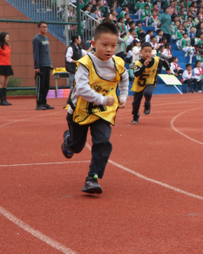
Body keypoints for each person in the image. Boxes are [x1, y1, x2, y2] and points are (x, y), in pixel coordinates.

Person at [61, 22, 129, 194]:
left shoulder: (117, 63)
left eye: (113, 46)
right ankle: (68, 139)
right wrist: (102, 99)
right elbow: (82, 89)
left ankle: (93, 177)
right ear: (93, 44)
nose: (109, 49)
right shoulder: (85, 63)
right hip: (80, 111)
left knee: (103, 142)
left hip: (102, 113)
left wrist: (123, 96)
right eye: (104, 45)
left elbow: (125, 78)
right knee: (76, 147)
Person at [131, 42, 171, 124]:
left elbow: (165, 62)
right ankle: (135, 116)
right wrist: (144, 66)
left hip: (150, 81)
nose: (147, 53)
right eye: (145, 51)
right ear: (141, 52)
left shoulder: (156, 60)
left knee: (148, 92)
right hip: (139, 84)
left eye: (149, 51)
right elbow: (136, 73)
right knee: (136, 103)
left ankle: (147, 104)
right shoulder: (138, 63)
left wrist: (168, 69)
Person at [33, 21, 54, 110]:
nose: (45, 28)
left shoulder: (45, 37)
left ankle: (44, 102)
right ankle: (39, 103)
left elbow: (47, 52)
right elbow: (36, 53)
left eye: (46, 26)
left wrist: (50, 63)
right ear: (38, 28)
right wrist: (36, 66)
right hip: (41, 65)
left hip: (47, 65)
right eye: (43, 27)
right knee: (40, 85)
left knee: (46, 85)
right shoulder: (36, 39)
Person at [0, 32, 14, 106]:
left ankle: (5, 99)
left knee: (5, 84)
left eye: (8, 37)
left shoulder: (9, 47)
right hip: (1, 66)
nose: (8, 38)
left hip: (8, 65)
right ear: (2, 37)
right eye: (6, 37)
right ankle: (2, 100)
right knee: (1, 83)